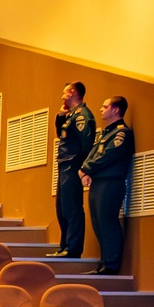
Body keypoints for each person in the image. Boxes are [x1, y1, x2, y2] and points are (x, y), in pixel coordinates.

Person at [79, 95, 134, 276]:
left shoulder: (121, 133)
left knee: (107, 222)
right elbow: (94, 154)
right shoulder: (106, 133)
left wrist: (85, 169)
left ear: (115, 109)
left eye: (105, 107)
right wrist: (85, 170)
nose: (101, 109)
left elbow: (107, 156)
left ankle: (111, 265)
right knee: (98, 223)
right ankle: (103, 263)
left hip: (111, 183)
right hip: (99, 183)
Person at [51, 81, 93, 259]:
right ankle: (65, 246)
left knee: (72, 206)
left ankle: (73, 248)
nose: (62, 96)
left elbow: (87, 144)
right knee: (61, 207)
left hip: (74, 165)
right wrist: (61, 116)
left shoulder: (83, 115)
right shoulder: (71, 116)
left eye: (65, 92)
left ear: (73, 92)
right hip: (64, 164)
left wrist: (84, 168)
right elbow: (61, 135)